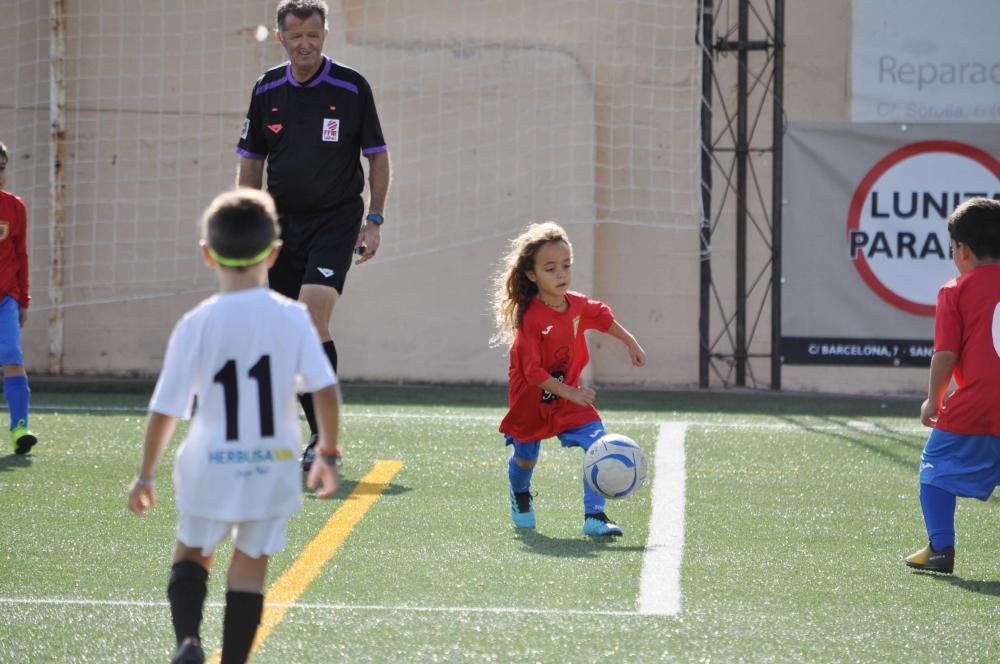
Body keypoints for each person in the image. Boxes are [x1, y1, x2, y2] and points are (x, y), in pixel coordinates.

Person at [127, 188, 343, 664]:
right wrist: (327, 452)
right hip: (272, 463)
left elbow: (166, 408)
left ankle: (188, 641)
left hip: (209, 462)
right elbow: (324, 389)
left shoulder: (196, 323)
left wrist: (146, 474)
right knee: (250, 566)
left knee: (193, 553)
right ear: (274, 253)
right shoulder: (292, 319)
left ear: (207, 254)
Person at [236, 0, 390, 471]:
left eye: (314, 36)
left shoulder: (350, 87)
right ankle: (316, 434)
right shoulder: (267, 88)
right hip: (281, 224)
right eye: (297, 37)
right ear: (280, 37)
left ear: (325, 35)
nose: (306, 45)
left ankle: (325, 439)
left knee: (308, 317)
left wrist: (375, 220)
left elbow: (377, 158)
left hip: (336, 218)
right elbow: (251, 162)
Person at [491, 221, 646, 537]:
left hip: (568, 402)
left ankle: (595, 516)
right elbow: (532, 373)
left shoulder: (576, 305)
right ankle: (519, 492)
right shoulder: (530, 320)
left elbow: (603, 317)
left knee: (598, 443)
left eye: (566, 265)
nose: (561, 273)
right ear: (532, 275)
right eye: (550, 268)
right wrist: (571, 393)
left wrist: (630, 342)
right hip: (531, 403)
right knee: (525, 459)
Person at [905, 197, 1000, 575]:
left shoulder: (955, 290)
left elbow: (945, 353)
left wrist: (933, 400)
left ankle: (941, 549)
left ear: (961, 249)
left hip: (977, 403)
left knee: (935, 467)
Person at [0, 140, 37, 455]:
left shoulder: (15, 207)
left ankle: (19, 428)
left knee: (12, 356)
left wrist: (23, 298)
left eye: (2, 167)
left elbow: (21, 254)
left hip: (6, 298)